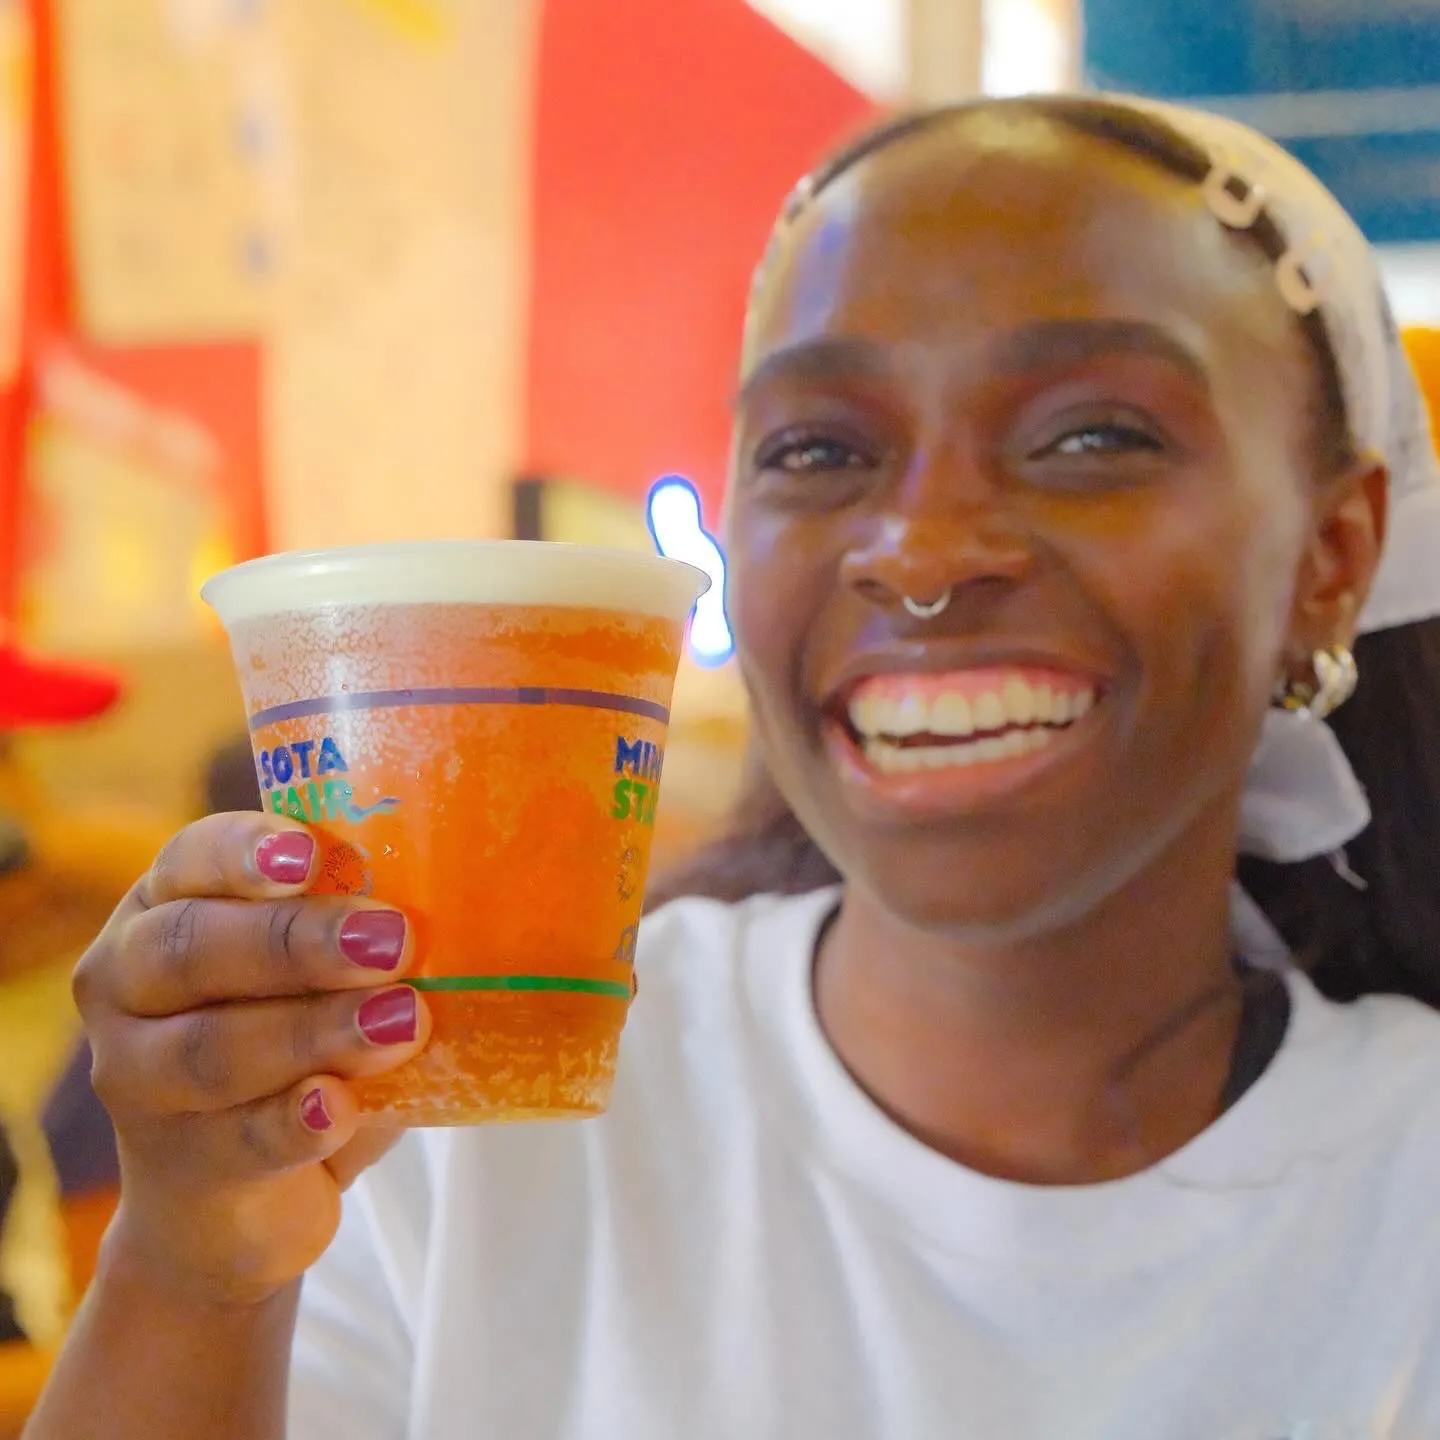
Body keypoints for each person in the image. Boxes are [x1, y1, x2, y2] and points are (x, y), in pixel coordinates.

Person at [24, 94, 1440, 1438]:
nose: (925, 552)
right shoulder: (443, 1120)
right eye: (819, 448)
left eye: (1092, 435)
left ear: (1332, 556)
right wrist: (194, 1263)